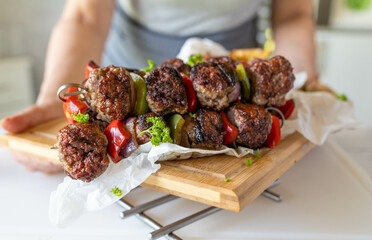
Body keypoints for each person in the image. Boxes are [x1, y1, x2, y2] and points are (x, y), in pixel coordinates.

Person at [0, 0, 317, 173]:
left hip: (232, 62)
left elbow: (294, 13)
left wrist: (297, 86)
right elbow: (86, 15)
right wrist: (53, 97)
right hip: (129, 68)